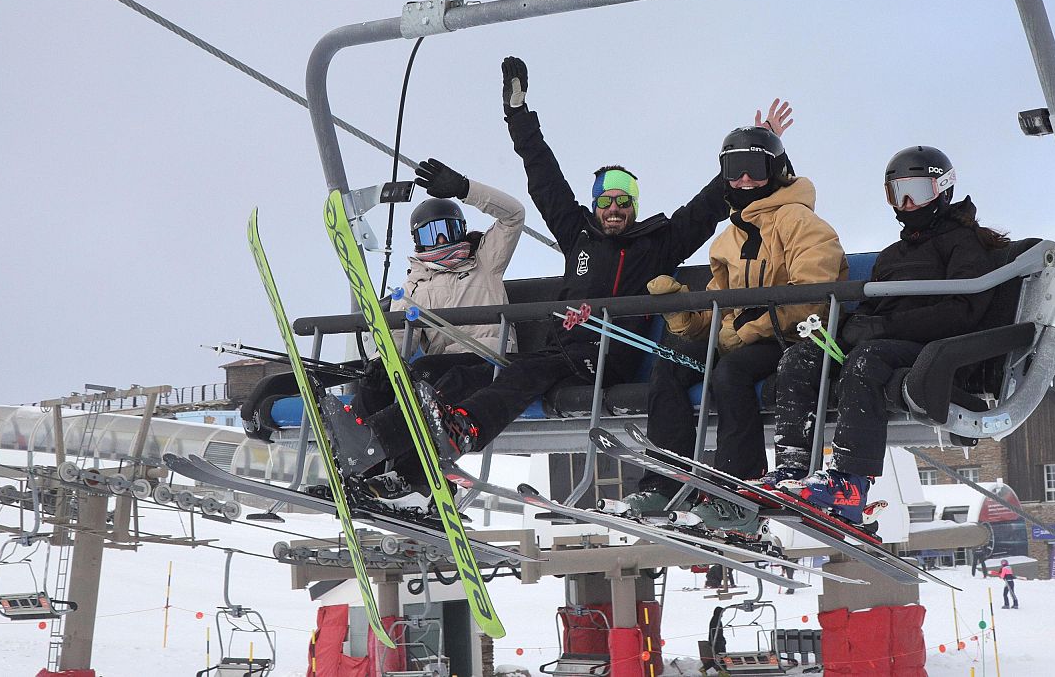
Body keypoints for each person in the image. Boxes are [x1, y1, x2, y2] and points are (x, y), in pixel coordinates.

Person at [345, 56, 740, 492]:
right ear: (595, 205)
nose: (613, 209)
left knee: (523, 372)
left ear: (634, 206)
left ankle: (464, 428)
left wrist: (742, 162)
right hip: (564, 352)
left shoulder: (657, 244)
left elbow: (705, 209)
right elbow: (545, 179)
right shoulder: (579, 236)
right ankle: (382, 452)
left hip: (608, 356)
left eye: (623, 202)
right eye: (605, 201)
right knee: (472, 375)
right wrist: (518, 115)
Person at [617, 123, 845, 536]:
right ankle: (665, 484)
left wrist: (748, 331)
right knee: (670, 365)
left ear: (775, 171)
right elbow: (719, 307)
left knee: (730, 372)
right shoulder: (729, 239)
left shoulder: (801, 222)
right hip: (741, 338)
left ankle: (739, 494)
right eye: (732, 169)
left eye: (753, 168)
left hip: (793, 338)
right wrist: (684, 316)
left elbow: (811, 297)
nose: (743, 180)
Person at [775, 146, 1012, 526]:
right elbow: (874, 306)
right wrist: (850, 327)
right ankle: (792, 467)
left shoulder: (964, 244)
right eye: (897, 193)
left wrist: (885, 327)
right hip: (888, 342)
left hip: (936, 349)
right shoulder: (892, 255)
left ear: (943, 189)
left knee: (865, 361)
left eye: (916, 192)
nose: (906, 204)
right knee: (800, 358)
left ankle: (850, 482)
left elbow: (963, 311)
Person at [239, 158, 523, 461]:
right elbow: (400, 337)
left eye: (448, 229)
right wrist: (379, 363)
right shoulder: (414, 287)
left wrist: (464, 189)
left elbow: (514, 215)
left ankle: (387, 446)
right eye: (431, 234)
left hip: (490, 361)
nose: (441, 240)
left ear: (462, 231)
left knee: (426, 374)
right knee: (382, 383)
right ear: (418, 241)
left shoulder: (485, 261)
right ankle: (363, 457)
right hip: (445, 367)